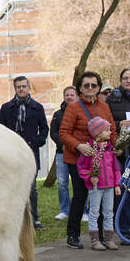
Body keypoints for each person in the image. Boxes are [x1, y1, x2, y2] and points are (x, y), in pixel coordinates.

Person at [60, 70, 117, 249]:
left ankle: (100, 237)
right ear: (80, 88)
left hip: (101, 160)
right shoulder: (73, 107)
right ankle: (73, 235)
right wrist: (78, 146)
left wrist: (116, 147)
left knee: (100, 198)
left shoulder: (104, 106)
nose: (90, 88)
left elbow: (112, 131)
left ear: (99, 87)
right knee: (80, 196)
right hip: (78, 159)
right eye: (86, 85)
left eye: (94, 85)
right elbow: (64, 133)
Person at [0, 76, 48, 229]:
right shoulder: (6, 108)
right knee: (11, 188)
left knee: (31, 188)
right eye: (18, 87)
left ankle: (34, 219)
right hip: (11, 154)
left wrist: (37, 141)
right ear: (15, 88)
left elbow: (44, 128)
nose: (21, 89)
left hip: (30, 153)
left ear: (28, 87)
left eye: (24, 86)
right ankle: (13, 219)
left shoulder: (37, 107)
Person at [76, 117, 122, 250]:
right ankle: (95, 240)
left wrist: (117, 184)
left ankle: (109, 239)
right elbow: (81, 168)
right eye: (107, 130)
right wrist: (90, 177)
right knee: (94, 212)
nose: (110, 132)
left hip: (110, 187)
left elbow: (116, 168)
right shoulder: (90, 150)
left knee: (109, 212)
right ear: (97, 133)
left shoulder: (110, 149)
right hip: (95, 187)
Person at [106, 67, 130, 242]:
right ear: (121, 80)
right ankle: (124, 229)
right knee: (123, 191)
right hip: (121, 153)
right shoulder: (112, 99)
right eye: (125, 78)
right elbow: (105, 123)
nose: (129, 81)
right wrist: (118, 123)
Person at [49, 86, 78, 221]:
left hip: (79, 153)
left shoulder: (82, 112)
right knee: (62, 183)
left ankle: (83, 211)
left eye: (72, 95)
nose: (69, 97)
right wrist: (64, 145)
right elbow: (53, 133)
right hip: (62, 153)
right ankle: (65, 210)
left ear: (77, 96)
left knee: (80, 183)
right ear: (64, 97)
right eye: (67, 95)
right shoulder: (58, 114)